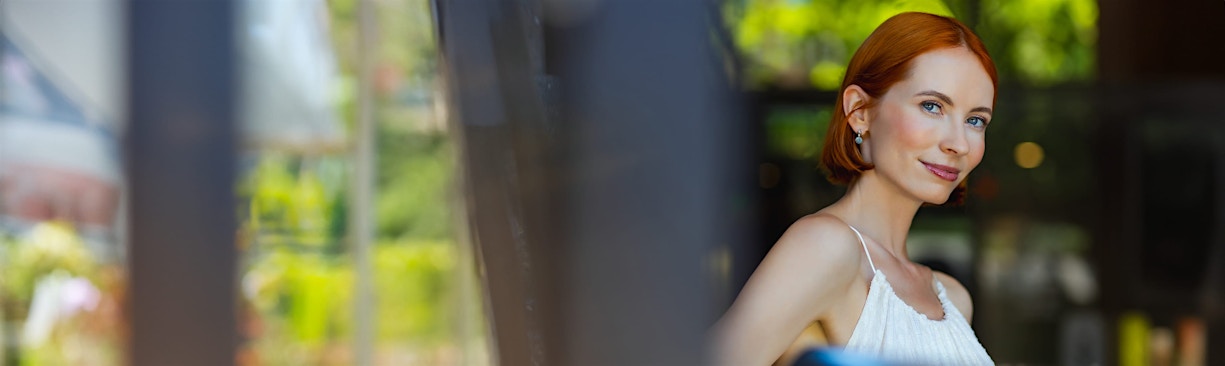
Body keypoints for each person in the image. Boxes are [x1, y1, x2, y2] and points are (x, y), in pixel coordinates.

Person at [710, 12, 997, 365]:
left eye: (975, 120)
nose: (959, 143)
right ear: (860, 111)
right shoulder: (826, 246)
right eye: (932, 106)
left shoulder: (952, 299)